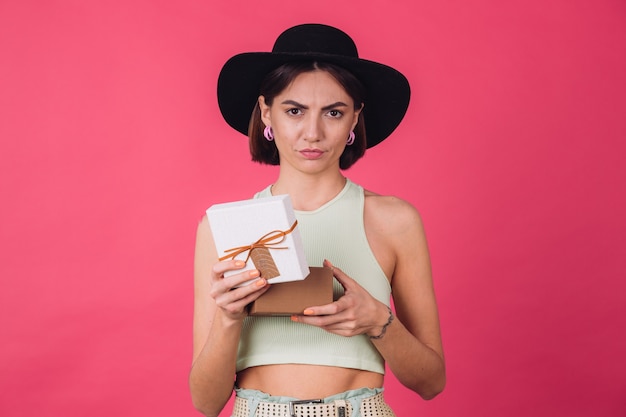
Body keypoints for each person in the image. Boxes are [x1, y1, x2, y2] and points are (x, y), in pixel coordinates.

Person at [190, 23, 445, 417]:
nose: (312, 132)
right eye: (295, 110)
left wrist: (379, 322)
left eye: (333, 112)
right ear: (266, 112)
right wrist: (228, 318)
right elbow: (205, 405)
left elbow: (431, 382)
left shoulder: (395, 221)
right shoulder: (223, 230)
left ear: (354, 119)